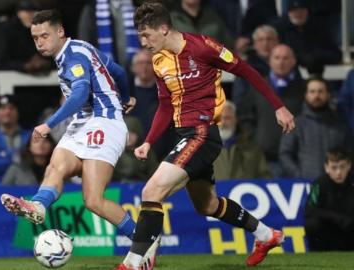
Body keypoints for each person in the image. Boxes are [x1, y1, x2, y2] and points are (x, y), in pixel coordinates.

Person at [115, 3, 295, 269]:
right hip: (185, 135)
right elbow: (166, 105)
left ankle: (133, 263)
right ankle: (267, 235)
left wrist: (278, 107)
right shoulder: (159, 61)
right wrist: (149, 141)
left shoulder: (202, 46)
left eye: (146, 35)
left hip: (202, 133)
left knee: (151, 191)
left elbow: (245, 70)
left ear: (164, 29)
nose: (143, 42)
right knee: (208, 205)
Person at [0, 10, 139, 245]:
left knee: (93, 199)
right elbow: (119, 71)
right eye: (35, 38)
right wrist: (126, 97)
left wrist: (49, 123)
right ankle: (38, 206)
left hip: (105, 122)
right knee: (56, 166)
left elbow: (80, 93)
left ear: (60, 31)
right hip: (84, 122)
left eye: (45, 35)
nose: (40, 42)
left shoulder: (73, 58)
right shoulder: (81, 47)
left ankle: (144, 241)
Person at [237, 44, 304, 177]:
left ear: (294, 61)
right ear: (270, 61)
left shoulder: (305, 89)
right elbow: (245, 116)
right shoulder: (257, 87)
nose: (281, 62)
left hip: (296, 158)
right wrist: (256, 139)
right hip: (265, 157)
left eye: (285, 58)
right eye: (277, 58)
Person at [279, 78, 350, 179]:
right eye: (312, 92)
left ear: (328, 94)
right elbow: (285, 154)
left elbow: (350, 153)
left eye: (321, 91)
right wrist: (299, 175)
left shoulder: (339, 124)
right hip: (305, 183)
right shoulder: (296, 124)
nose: (317, 96)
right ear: (306, 95)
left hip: (335, 184)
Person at [304, 148, 354, 251]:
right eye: (334, 167)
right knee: (312, 224)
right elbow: (309, 210)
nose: (338, 172)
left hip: (350, 231)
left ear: (349, 166)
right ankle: (318, 255)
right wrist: (337, 218)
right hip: (328, 233)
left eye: (342, 167)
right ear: (326, 167)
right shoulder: (319, 184)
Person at [275, 0, 341, 70]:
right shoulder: (280, 30)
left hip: (318, 70)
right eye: (294, 11)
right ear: (288, 13)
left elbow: (336, 55)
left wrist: (315, 56)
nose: (298, 14)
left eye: (301, 11)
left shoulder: (319, 28)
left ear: (307, 12)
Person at [213, 101, 271, 180]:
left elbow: (265, 177)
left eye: (227, 118)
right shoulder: (204, 151)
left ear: (235, 120)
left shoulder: (253, 150)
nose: (223, 123)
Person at [0, 0, 54, 74]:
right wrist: (25, 65)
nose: (31, 15)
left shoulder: (44, 29)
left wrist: (44, 63)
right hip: (13, 78)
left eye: (34, 11)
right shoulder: (7, 29)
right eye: (27, 11)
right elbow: (2, 62)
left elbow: (56, 57)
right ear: (18, 13)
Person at [114, 116, 158, 182]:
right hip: (114, 189)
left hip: (140, 188)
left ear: (138, 134)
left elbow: (154, 174)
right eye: (126, 133)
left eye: (132, 133)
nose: (129, 137)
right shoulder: (114, 152)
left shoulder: (146, 151)